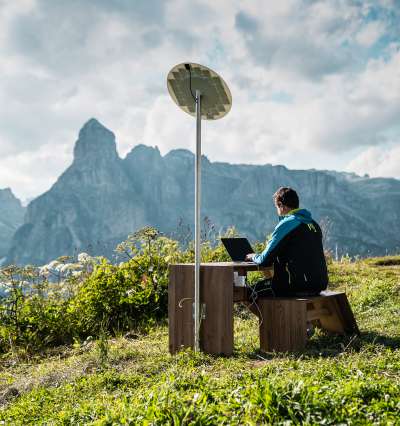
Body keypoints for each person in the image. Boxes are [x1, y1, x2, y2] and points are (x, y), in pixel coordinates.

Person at [245, 187, 328, 298]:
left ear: (280, 205)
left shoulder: (288, 224)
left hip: (295, 285)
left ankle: (271, 316)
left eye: (277, 207)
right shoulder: (313, 224)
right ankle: (274, 315)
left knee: (247, 292)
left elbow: (264, 260)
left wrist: (254, 256)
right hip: (319, 284)